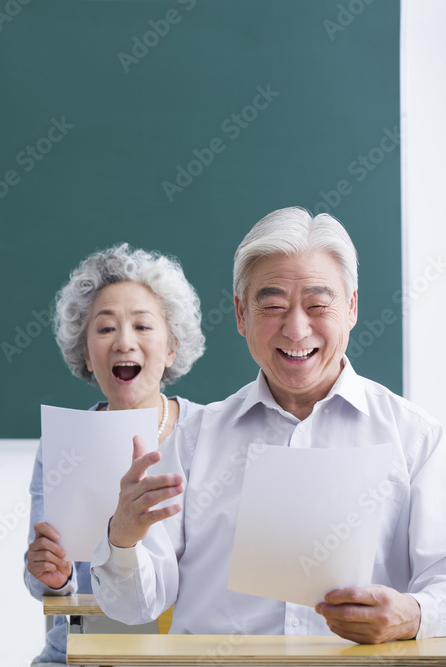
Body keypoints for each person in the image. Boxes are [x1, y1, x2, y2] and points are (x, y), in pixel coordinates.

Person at [91, 207, 446, 643]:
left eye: (318, 305)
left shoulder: (418, 439)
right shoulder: (193, 439)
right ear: (241, 315)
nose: (296, 330)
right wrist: (122, 540)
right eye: (274, 306)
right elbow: (133, 608)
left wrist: (415, 615)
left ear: (352, 307)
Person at [24, 244, 205, 665]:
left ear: (172, 347)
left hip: (183, 652)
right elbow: (47, 585)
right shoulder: (63, 443)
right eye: (105, 330)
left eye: (143, 327)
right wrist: (54, 577)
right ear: (86, 354)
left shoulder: (208, 431)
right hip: (82, 649)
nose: (124, 342)